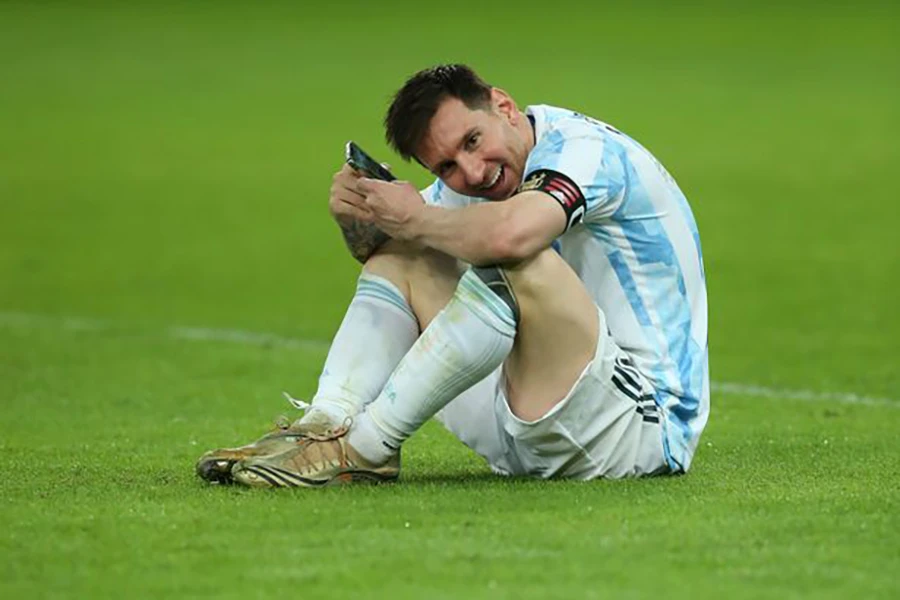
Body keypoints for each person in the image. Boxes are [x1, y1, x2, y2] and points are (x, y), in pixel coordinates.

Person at [196, 64, 709, 487]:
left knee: (514, 255)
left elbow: (510, 237)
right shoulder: (478, 183)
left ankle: (364, 448)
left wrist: (414, 219)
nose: (473, 171)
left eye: (473, 140)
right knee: (404, 253)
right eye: (446, 167)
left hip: (639, 429)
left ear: (503, 107)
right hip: (528, 424)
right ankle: (324, 428)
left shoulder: (586, 151)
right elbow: (393, 256)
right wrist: (358, 216)